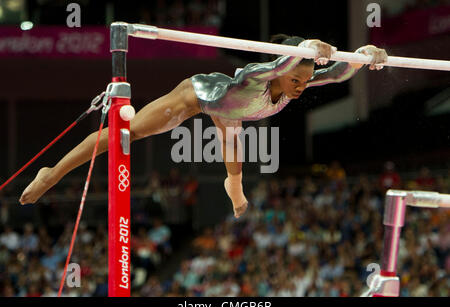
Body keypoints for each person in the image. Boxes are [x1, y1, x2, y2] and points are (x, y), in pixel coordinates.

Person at [19, 34, 387, 219]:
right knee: (123, 134)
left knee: (236, 171)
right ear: (286, 68)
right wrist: (306, 46)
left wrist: (366, 54)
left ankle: (235, 187)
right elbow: (278, 67)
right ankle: (51, 173)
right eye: (298, 78)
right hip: (198, 96)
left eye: (305, 80)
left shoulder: (296, 82)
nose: (302, 85)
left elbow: (336, 74)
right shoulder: (260, 76)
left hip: (232, 116)